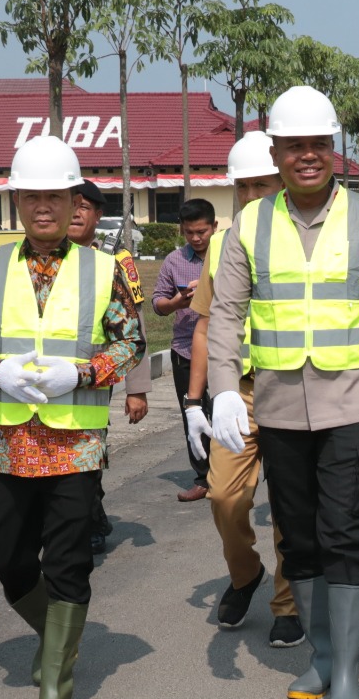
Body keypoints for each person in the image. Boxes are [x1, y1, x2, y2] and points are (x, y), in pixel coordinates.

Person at [206, 85, 359, 699]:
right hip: (275, 406)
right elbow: (226, 312)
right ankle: (323, 656)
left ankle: (349, 679)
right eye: (294, 146)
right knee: (298, 537)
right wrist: (220, 388)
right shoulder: (249, 223)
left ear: (334, 151)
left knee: (346, 533)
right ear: (275, 152)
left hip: (354, 401)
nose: (307, 156)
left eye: (318, 146)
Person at [0, 135, 145, 699]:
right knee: (7, 556)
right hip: (8, 439)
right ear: (17, 200)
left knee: (68, 561)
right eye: (31, 196)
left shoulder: (105, 268)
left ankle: (56, 680)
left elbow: (130, 340)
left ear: (73, 198)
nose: (43, 208)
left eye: (55, 196)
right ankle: (56, 637)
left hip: (75, 440)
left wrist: (80, 372)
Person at [180, 131, 304, 649]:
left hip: (295, 387)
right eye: (244, 186)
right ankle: (244, 573)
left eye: (263, 185)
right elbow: (206, 326)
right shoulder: (227, 244)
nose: (252, 196)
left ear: (282, 182)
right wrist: (193, 401)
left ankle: (287, 602)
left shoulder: (303, 242)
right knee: (226, 497)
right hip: (238, 393)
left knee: (290, 506)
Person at [67, 178, 151, 554]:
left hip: (96, 377)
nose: (75, 213)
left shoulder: (116, 263)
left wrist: (137, 388)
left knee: (87, 448)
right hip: (42, 376)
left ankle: (88, 517)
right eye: (70, 204)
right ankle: (88, 515)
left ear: (98, 216)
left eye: (84, 207)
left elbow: (136, 327)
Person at [154, 199, 218, 501]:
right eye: (190, 232)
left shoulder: (229, 254)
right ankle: (203, 478)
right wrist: (177, 302)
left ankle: (228, 475)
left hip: (222, 349)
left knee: (224, 411)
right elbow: (158, 304)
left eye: (202, 231)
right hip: (185, 349)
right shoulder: (174, 261)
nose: (196, 238)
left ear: (214, 227)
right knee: (192, 413)